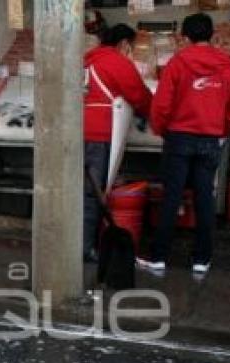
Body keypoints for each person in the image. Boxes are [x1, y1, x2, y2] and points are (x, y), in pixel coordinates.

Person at [139, 13, 230, 275]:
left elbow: (161, 105)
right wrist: (223, 131)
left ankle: (160, 257)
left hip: (179, 137)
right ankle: (201, 260)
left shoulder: (178, 62)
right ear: (211, 36)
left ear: (185, 37)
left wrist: (162, 130)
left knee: (171, 196)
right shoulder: (228, 65)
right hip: (210, 139)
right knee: (204, 198)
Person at [83, 24, 153, 262]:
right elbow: (140, 96)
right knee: (94, 193)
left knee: (81, 190)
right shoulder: (117, 62)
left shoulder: (87, 60)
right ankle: (86, 247)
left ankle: (77, 243)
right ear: (124, 44)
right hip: (100, 134)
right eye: (131, 48)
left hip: (78, 132)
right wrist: (156, 113)